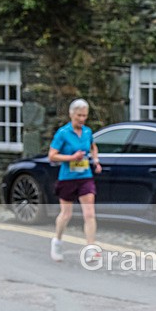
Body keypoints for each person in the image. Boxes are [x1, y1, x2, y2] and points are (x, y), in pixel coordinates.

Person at [48, 98, 102, 263]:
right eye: (79, 115)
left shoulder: (87, 132)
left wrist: (96, 161)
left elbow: (93, 146)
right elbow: (52, 156)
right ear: (71, 114)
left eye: (85, 115)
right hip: (67, 178)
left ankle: (91, 249)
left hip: (85, 176)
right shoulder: (63, 133)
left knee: (89, 214)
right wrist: (71, 157)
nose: (82, 119)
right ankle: (57, 241)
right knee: (66, 214)